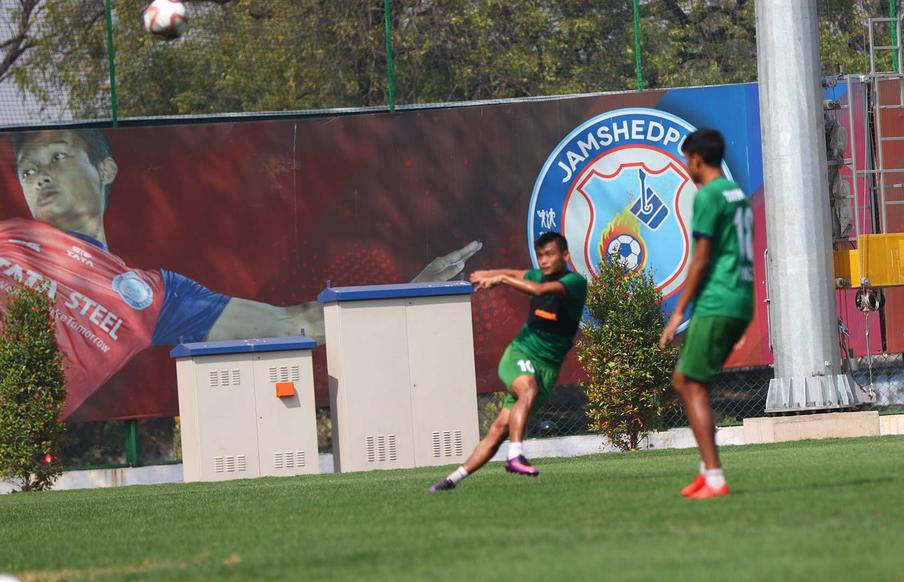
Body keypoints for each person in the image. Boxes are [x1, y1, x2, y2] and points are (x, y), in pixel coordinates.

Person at [3, 128, 480, 418]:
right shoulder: (9, 235)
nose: (41, 176)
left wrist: (407, 294)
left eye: (58, 158)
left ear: (104, 169)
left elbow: (294, 324)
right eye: (27, 171)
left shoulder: (155, 295)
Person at [428, 232, 586, 492]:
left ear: (565, 256)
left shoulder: (574, 282)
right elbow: (515, 272)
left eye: (550, 254)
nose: (544, 261)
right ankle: (515, 455)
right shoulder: (538, 275)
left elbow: (538, 290)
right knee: (528, 389)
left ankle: (450, 481)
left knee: (500, 428)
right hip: (521, 354)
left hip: (547, 369)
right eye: (541, 255)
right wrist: (490, 273)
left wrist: (500, 279)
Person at [659, 128, 754, 500]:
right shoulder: (737, 195)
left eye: (686, 159)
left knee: (686, 382)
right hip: (739, 299)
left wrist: (678, 311)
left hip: (717, 300)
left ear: (697, 159)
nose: (686, 166)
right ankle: (704, 471)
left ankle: (714, 476)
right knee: (694, 382)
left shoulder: (709, 196)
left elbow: (700, 259)